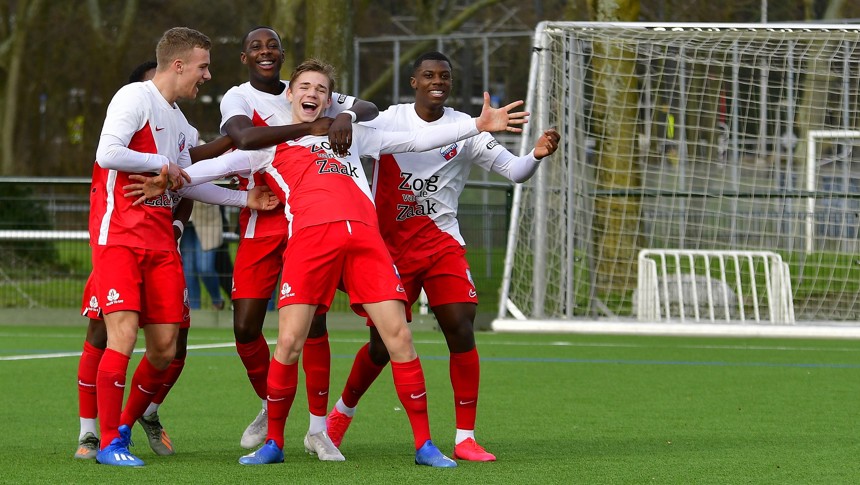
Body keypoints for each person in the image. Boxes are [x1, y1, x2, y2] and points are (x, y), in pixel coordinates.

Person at [127, 58, 527, 467]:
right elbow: (216, 166)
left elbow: (416, 140)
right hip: (310, 245)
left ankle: (425, 445)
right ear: (291, 94)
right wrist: (173, 175)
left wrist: (476, 126)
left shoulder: (353, 135)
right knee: (289, 343)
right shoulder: (270, 146)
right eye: (305, 87)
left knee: (399, 339)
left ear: (330, 100)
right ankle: (274, 444)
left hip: (367, 246)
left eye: (321, 89)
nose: (312, 94)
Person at [325, 51, 560, 462]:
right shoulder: (388, 119)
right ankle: (340, 415)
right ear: (413, 81)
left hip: (441, 244)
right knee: (382, 346)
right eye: (428, 75)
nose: (438, 81)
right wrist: (346, 116)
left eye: (445, 76)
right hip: (390, 249)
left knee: (461, 327)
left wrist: (536, 156)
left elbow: (516, 171)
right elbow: (341, 112)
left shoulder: (467, 127)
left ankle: (465, 438)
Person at [88, 27, 277, 468]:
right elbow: (107, 153)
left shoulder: (178, 119)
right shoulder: (134, 97)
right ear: (178, 65)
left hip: (161, 241)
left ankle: (124, 430)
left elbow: (190, 180)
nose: (207, 76)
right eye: (203, 66)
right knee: (122, 335)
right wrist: (163, 164)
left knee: (165, 347)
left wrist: (242, 198)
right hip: (119, 236)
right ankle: (106, 442)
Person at [218, 26, 378, 459]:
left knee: (314, 323)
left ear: (283, 55)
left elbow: (366, 106)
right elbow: (242, 140)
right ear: (245, 57)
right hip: (261, 213)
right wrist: (182, 165)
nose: (266, 53)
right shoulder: (237, 98)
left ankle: (317, 428)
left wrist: (344, 117)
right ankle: (271, 404)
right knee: (245, 326)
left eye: (273, 47)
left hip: (309, 219)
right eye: (256, 47)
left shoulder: (306, 89)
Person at [181, 200, 227, 310]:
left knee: (205, 267)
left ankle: (217, 300)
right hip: (182, 218)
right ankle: (193, 312)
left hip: (207, 217)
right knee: (188, 271)